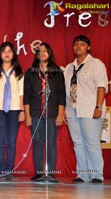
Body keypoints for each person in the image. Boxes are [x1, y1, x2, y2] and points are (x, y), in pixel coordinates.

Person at [64, 35, 108, 184]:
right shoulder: (70, 67)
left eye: (82, 44)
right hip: (72, 110)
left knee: (92, 142)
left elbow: (101, 86)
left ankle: (96, 175)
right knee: (78, 143)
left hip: (91, 109)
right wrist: (65, 109)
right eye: (76, 44)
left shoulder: (96, 64)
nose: (78, 46)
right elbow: (66, 90)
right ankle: (82, 174)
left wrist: (98, 106)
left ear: (88, 47)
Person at [24, 42, 65, 181]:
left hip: (52, 113)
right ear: (36, 54)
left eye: (45, 50)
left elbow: (61, 94)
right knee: (37, 142)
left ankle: (51, 173)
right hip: (35, 113)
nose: (42, 52)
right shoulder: (30, 72)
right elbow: (27, 95)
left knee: (51, 142)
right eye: (39, 51)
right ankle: (39, 173)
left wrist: (60, 114)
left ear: (50, 53)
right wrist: (27, 115)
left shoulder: (57, 71)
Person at [0, 42, 25, 179]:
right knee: (0, 141)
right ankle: (1, 171)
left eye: (9, 51)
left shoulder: (19, 71)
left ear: (13, 54)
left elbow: (21, 92)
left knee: (11, 140)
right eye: (4, 50)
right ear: (0, 54)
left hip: (14, 109)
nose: (7, 53)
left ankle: (9, 171)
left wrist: (22, 110)